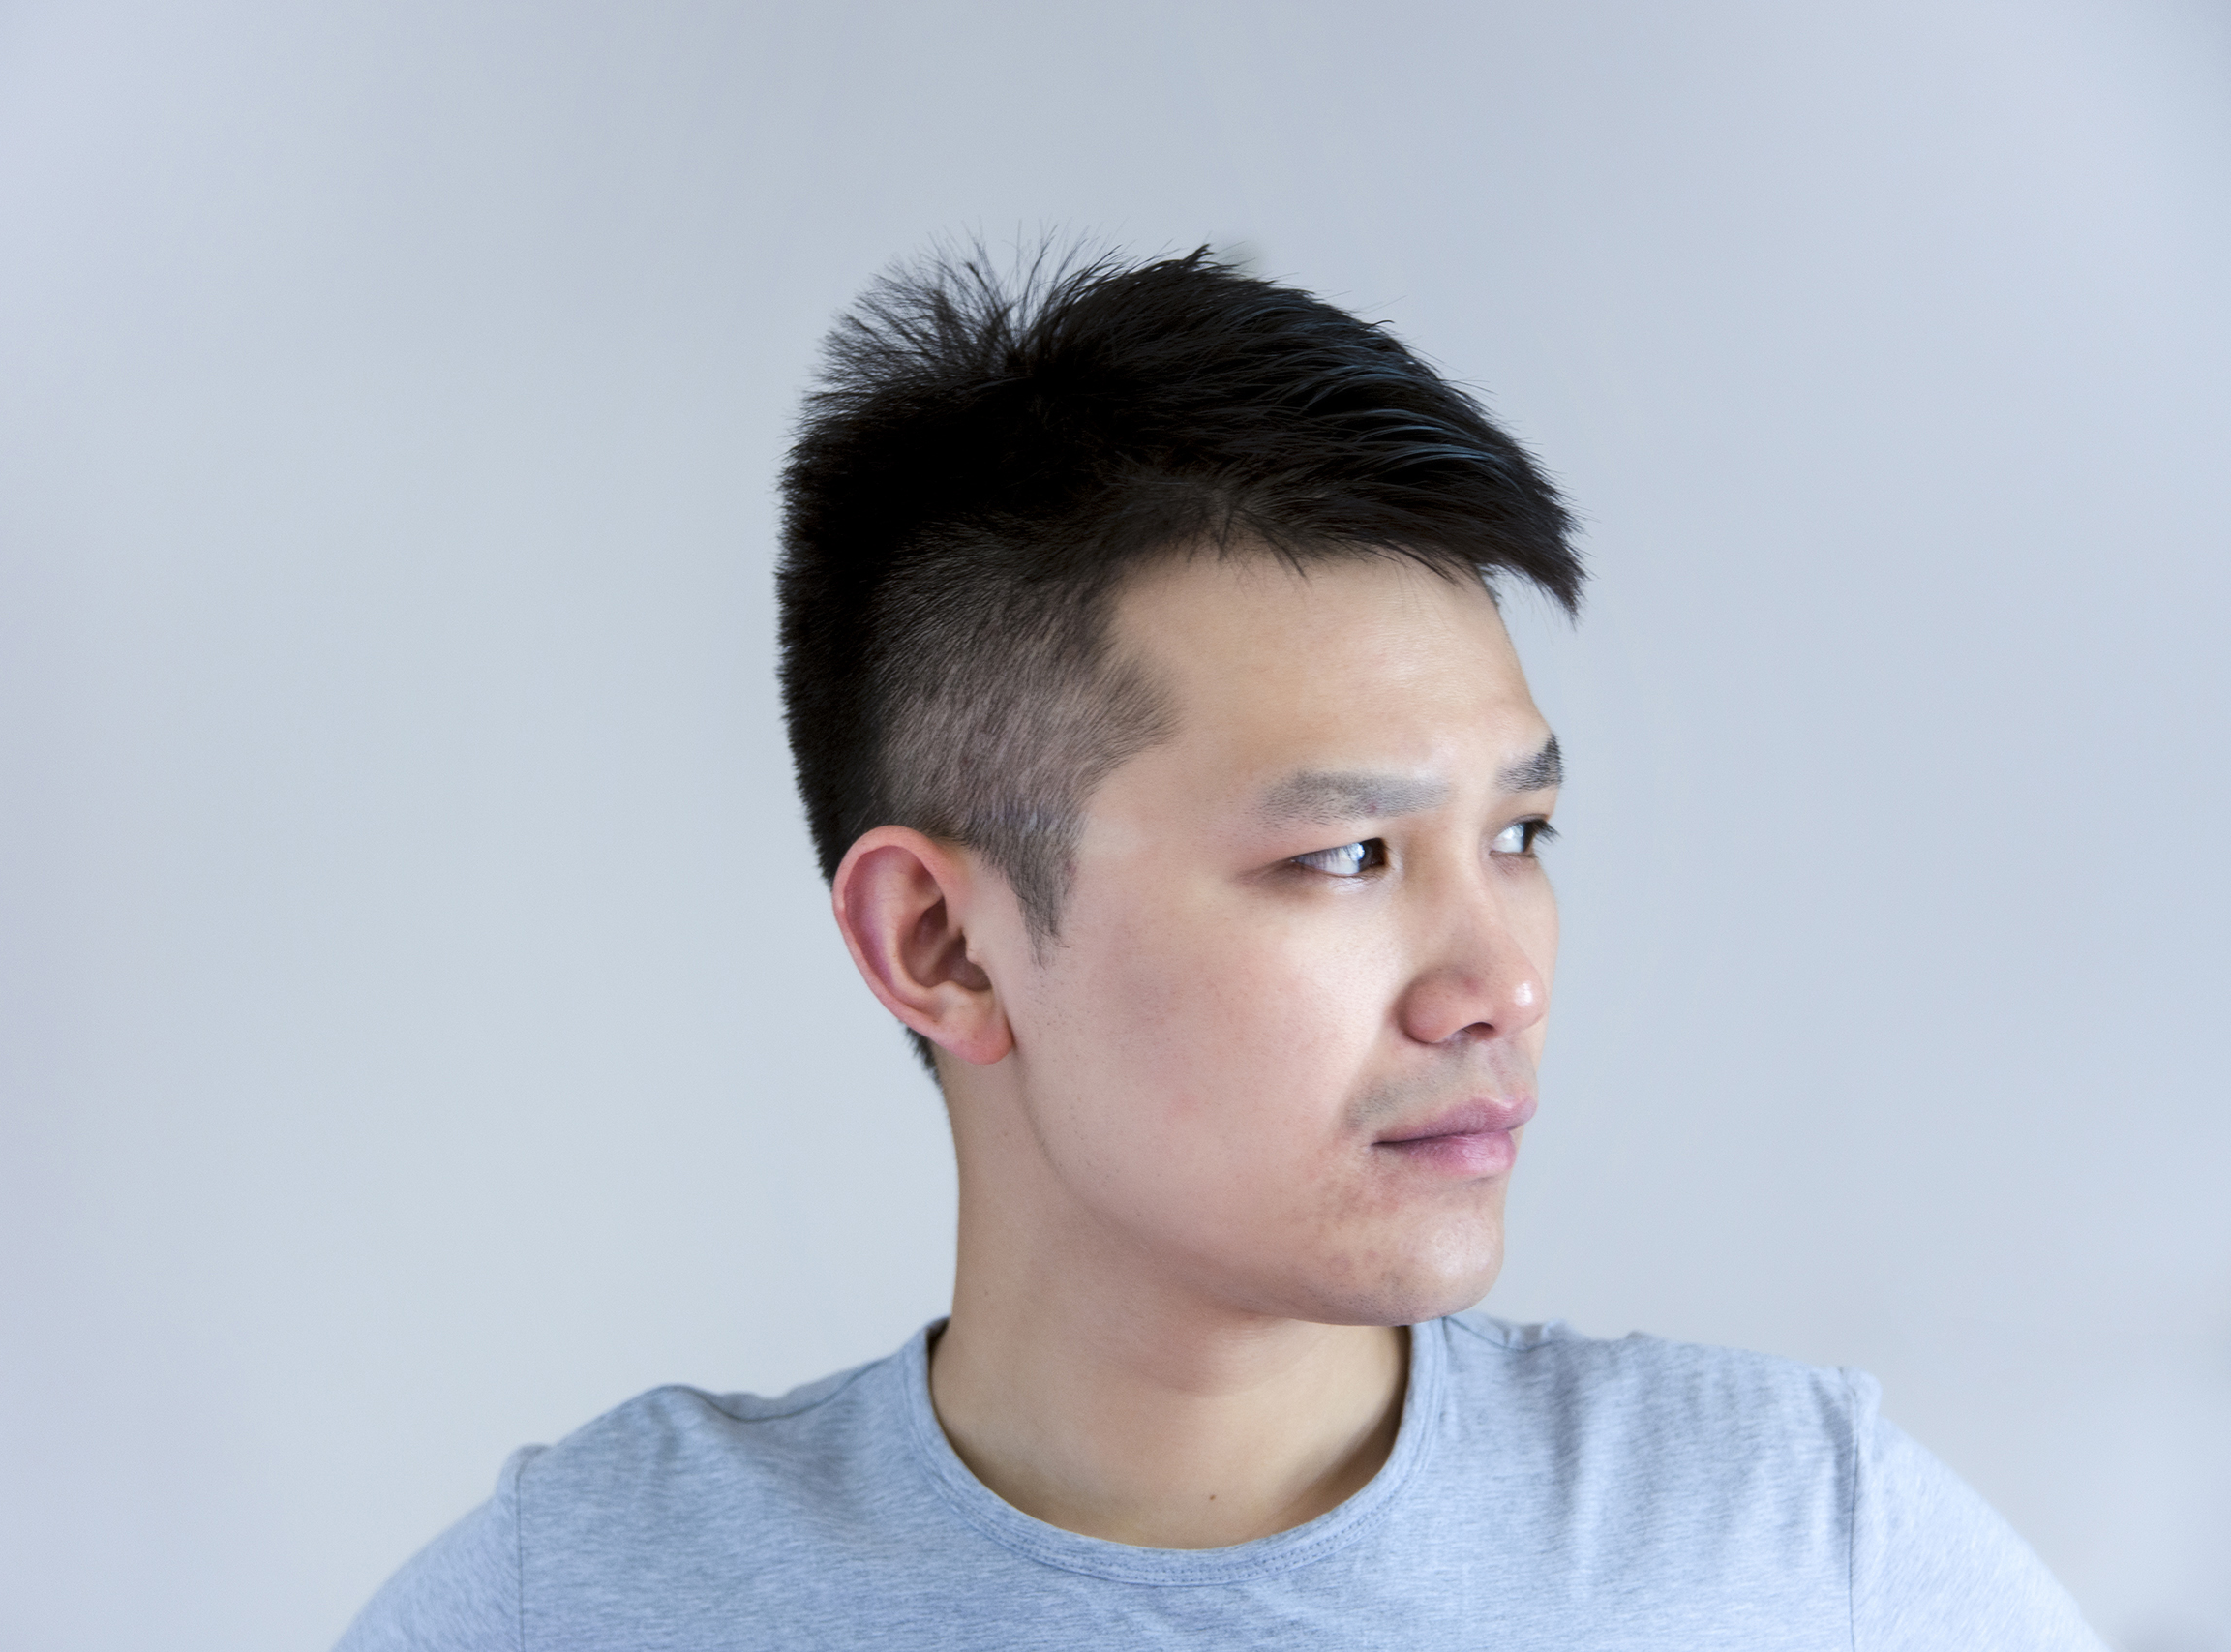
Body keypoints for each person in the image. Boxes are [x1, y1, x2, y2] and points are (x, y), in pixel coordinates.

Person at [337, 248, 2100, 1649]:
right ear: (943, 944)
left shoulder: (1801, 1553)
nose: (1499, 983)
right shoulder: (583, 1598)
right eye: (1344, 855)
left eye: (1520, 835)